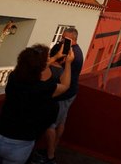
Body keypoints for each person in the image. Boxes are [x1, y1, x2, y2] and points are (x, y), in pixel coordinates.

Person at [0, 44, 74, 164]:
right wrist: (68, 63)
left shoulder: (13, 78)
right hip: (19, 144)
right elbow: (65, 85)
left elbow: (31, 67)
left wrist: (53, 58)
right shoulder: (43, 89)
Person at [40, 28, 83, 164]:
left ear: (73, 39)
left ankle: (50, 155)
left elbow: (59, 69)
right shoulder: (73, 50)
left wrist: (54, 59)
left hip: (63, 94)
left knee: (51, 124)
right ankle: (52, 148)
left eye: (65, 38)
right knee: (61, 122)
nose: (62, 40)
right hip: (70, 92)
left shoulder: (72, 53)